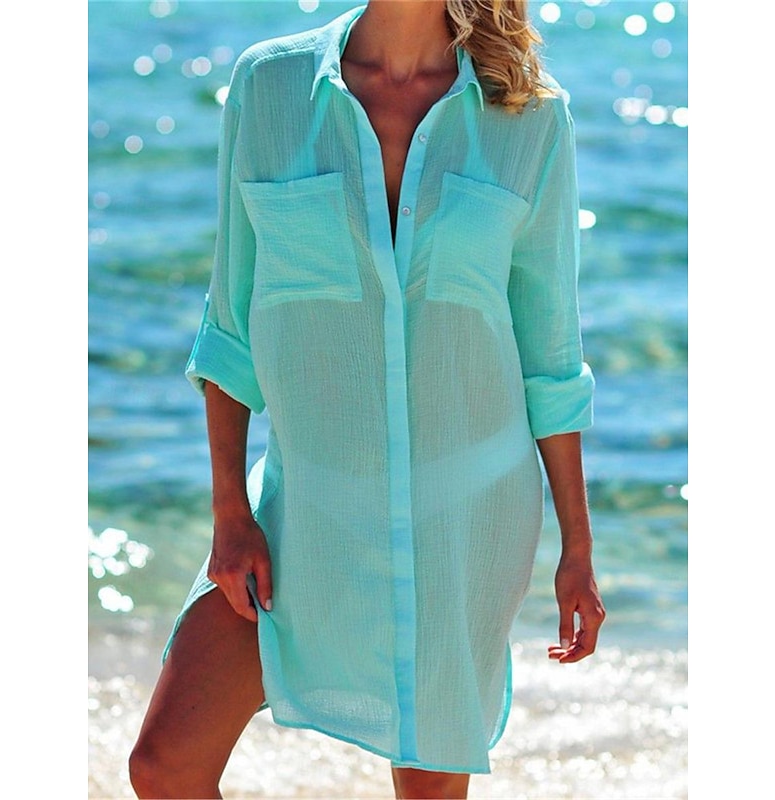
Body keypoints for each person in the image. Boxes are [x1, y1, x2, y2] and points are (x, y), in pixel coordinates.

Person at [129, 0, 606, 797]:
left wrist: (578, 549)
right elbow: (230, 326)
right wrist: (229, 513)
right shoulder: (271, 86)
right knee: (164, 765)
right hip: (304, 508)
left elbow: (549, 355)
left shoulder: (528, 114)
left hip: (460, 522)